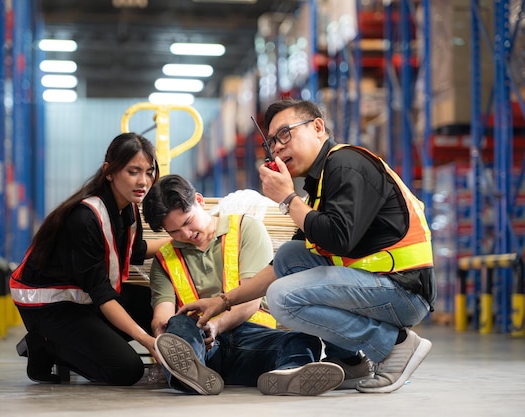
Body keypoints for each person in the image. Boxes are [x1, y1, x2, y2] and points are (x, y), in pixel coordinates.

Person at [177, 99, 436, 394]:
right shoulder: (319, 185)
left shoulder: (346, 163)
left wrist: (288, 199)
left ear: (317, 127)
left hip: (404, 290)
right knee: (291, 255)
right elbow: (282, 266)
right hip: (380, 285)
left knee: (283, 297)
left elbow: (339, 237)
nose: (276, 147)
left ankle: (396, 346)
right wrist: (223, 301)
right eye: (272, 141)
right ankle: (350, 361)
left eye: (285, 134)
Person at [141, 174, 346, 396]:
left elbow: (252, 299)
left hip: (252, 339)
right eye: (174, 232)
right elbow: (162, 315)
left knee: (301, 340)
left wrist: (216, 325)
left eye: (188, 222)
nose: (186, 235)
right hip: (201, 346)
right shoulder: (164, 259)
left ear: (199, 201)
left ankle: (289, 374)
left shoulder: (246, 229)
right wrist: (163, 332)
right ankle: (190, 374)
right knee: (178, 324)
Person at [9, 132, 169, 385]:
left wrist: (182, 237)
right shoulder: (84, 218)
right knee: (126, 370)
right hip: (51, 308)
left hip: (85, 298)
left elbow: (135, 251)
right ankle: (46, 346)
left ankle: (83, 341)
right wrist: (148, 341)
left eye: (149, 172)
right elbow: (103, 296)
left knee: (157, 305)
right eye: (133, 171)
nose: (144, 181)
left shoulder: (127, 207)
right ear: (109, 171)